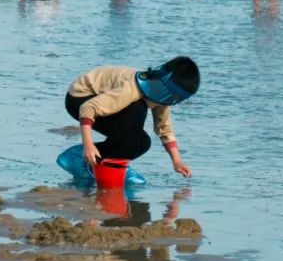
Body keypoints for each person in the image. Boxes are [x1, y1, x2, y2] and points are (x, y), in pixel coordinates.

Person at [63, 57, 199, 177]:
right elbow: (87, 108)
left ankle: (108, 164)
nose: (172, 99)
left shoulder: (163, 97)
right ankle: (84, 157)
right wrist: (88, 144)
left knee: (142, 142)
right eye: (172, 94)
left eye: (177, 97)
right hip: (79, 98)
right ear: (163, 84)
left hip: (94, 103)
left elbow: (164, 128)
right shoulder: (131, 88)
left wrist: (176, 161)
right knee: (137, 110)